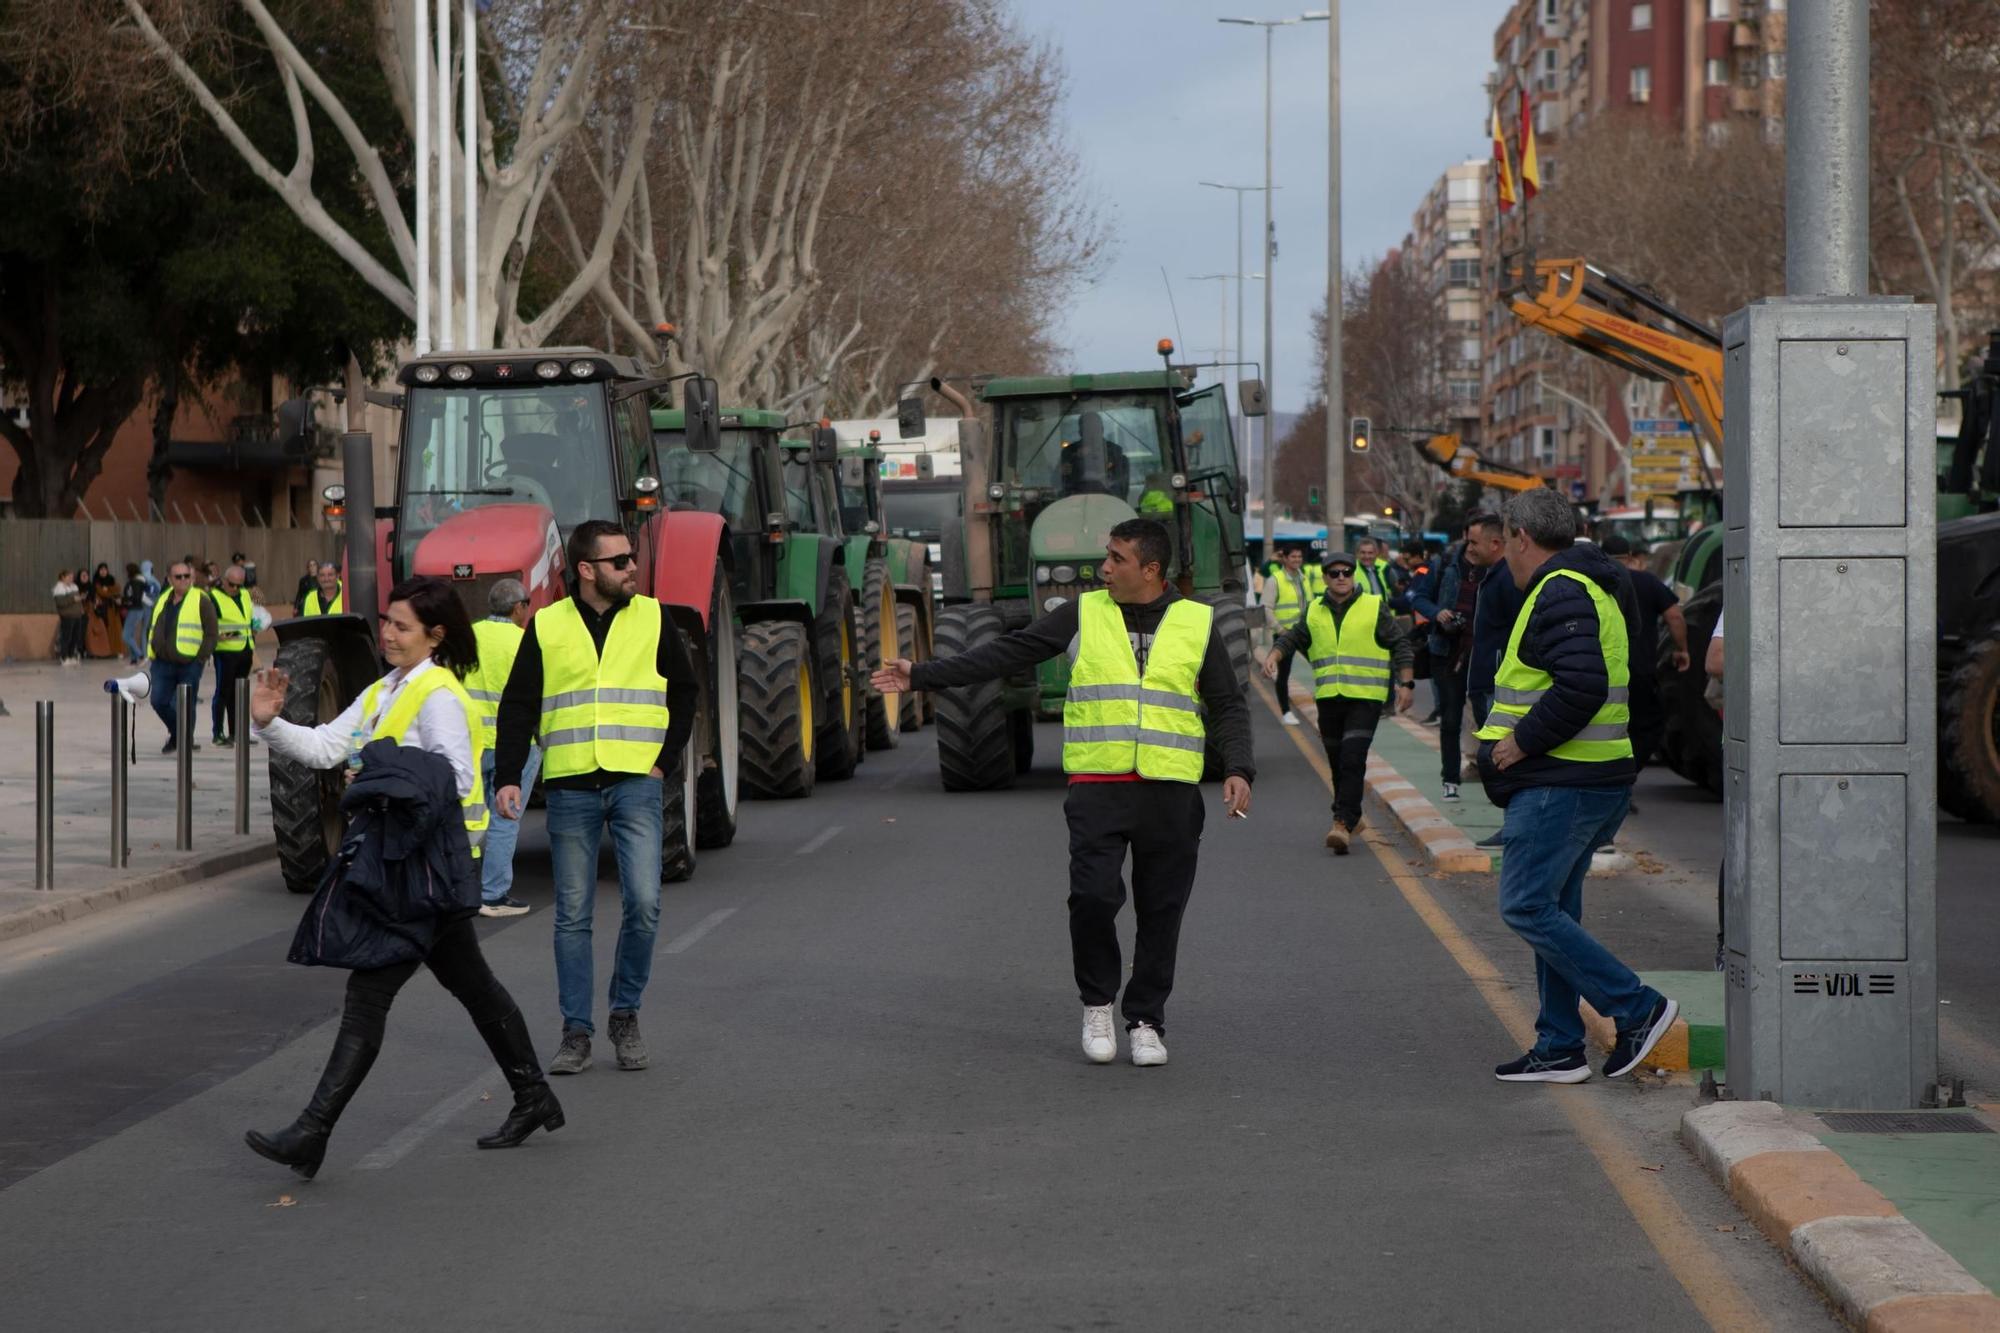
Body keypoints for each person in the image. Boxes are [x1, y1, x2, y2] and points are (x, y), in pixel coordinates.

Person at [876, 519, 1254, 1068]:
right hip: (1099, 788)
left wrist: (1239, 768)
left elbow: (1227, 702)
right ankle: (1098, 1003)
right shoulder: (1082, 613)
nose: (1104, 567)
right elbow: (1008, 653)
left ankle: (1146, 1021)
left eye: (1116, 558)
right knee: (1094, 899)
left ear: (1150, 569)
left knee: (1161, 913)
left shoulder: (1197, 623)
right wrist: (923, 675)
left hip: (1170, 793)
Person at [243, 576, 559, 1177]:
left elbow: (455, 779)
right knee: (476, 989)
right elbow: (325, 748)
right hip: (413, 870)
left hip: (425, 871)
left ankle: (313, 1131)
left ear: (435, 637)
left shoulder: (439, 695)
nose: (386, 633)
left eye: (401, 626)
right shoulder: (385, 690)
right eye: (386, 621)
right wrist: (268, 724)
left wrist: (377, 775)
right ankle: (533, 1094)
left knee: (369, 996)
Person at [1474, 488, 1678, 1084]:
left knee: (1526, 905)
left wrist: (1519, 743)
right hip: (1591, 778)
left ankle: (1637, 1008)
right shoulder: (1593, 582)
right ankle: (1560, 1045)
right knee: (1556, 908)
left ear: (1519, 538)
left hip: (1561, 782)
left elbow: (1581, 685)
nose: (1502, 554)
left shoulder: (1560, 589)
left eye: (1505, 540)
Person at [492, 520, 701, 1075]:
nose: (632, 568)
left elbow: (685, 692)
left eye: (631, 558)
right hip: (570, 786)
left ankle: (624, 1013)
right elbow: (517, 703)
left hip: (636, 781)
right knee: (573, 916)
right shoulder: (547, 625)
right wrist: (508, 776)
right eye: (619, 561)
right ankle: (576, 1031)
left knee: (645, 903)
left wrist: (665, 761)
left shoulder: (654, 617)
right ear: (586, 571)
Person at [1261, 552, 1415, 852]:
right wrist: (1273, 656)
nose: (1341, 577)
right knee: (1336, 763)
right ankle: (1353, 815)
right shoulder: (1314, 610)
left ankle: (1341, 823)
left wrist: (1406, 683)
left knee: (1352, 758)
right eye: (1334, 573)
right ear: (1326, 578)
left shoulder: (1373, 607)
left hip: (1366, 699)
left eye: (1346, 572)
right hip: (1330, 698)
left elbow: (1400, 644)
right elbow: (1292, 638)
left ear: (1354, 574)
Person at [1410, 512, 1504, 802]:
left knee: (1487, 719)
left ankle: (1494, 782)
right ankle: (1450, 779)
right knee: (1450, 719)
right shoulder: (1442, 565)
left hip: (1484, 656)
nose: (1472, 547)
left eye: (1477, 541)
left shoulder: (1500, 568)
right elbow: (1419, 597)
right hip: (1447, 653)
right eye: (1470, 540)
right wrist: (1437, 613)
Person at [469, 578, 538, 918]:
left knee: (469, 818)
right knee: (504, 818)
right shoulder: (525, 642)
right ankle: (493, 895)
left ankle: (463, 890)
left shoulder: (468, 637)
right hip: (514, 745)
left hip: (470, 744)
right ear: (518, 608)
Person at [1597, 536, 1688, 787]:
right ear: (1629, 557)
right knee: (1648, 726)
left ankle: (1605, 779)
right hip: (1638, 669)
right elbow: (1675, 616)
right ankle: (1623, 777)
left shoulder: (1598, 582)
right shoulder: (1646, 581)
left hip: (1603, 669)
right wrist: (1682, 649)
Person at [146, 561, 218, 753]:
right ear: (170, 580)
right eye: (179, 577)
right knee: (159, 701)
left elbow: (212, 632)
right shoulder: (162, 599)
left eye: (187, 576)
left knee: (185, 704)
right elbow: (152, 627)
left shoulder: (201, 599)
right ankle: (179, 735)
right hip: (162, 662)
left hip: (189, 663)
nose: (184, 580)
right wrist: (152, 650)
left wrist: (201, 658)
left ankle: (183, 739)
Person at [1258, 547, 1322, 726]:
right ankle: (1286, 711)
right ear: (1284, 558)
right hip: (1285, 634)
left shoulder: (1304, 578)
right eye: (1293, 556)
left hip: (1304, 632)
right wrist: (1279, 629)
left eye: (1299, 556)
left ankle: (1324, 702)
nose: (1297, 559)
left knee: (1320, 666)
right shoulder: (1275, 580)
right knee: (1284, 674)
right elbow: (1266, 608)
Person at [208, 563, 257, 748]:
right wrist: (217, 636)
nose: (235, 589)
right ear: (224, 580)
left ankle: (237, 732)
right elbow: (210, 626)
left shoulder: (244, 594)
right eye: (232, 585)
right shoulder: (214, 597)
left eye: (239, 585)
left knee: (240, 693)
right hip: (225, 652)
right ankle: (218, 733)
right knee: (223, 692)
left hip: (245, 649)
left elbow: (248, 618)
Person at [52, 569, 86, 665]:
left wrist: (81, 608)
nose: (71, 578)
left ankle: (71, 656)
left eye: (72, 577)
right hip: (67, 616)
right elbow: (60, 603)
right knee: (66, 637)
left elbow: (77, 600)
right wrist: (73, 599)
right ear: (63, 577)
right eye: (69, 577)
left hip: (77, 615)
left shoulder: (74, 587)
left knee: (75, 637)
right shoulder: (59, 588)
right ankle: (64, 657)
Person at [88, 563, 122, 658]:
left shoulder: (111, 580)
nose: (103, 572)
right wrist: (110, 594)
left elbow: (118, 589)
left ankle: (115, 651)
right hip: (101, 610)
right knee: (104, 630)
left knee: (114, 630)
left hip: (112, 609)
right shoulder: (96, 581)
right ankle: (105, 652)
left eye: (105, 570)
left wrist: (109, 590)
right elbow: (101, 592)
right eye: (101, 570)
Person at [120, 562, 151, 664]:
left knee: (126, 636)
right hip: (137, 609)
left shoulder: (136, 581)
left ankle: (140, 655)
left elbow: (136, 597)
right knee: (130, 634)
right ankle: (134, 659)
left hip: (135, 609)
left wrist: (124, 600)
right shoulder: (141, 580)